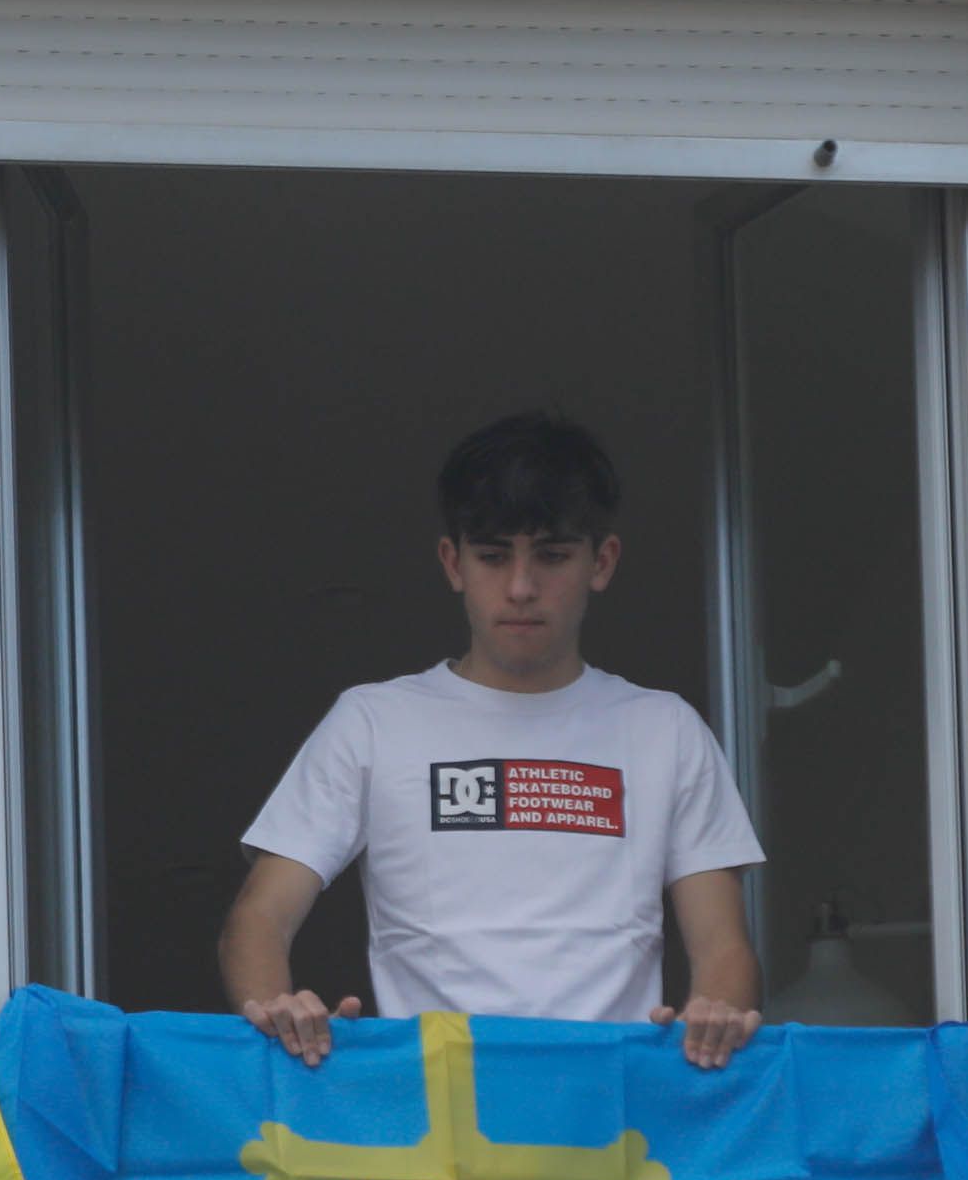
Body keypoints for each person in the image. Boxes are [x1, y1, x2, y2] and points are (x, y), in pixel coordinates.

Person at [218, 411, 764, 1069]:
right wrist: (280, 1014)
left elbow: (724, 951)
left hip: (612, 1121)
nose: (522, 587)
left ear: (603, 560)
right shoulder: (372, 722)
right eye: (493, 555)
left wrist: (713, 1018)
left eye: (554, 555)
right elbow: (258, 917)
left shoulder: (665, 728)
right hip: (434, 1125)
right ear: (453, 562)